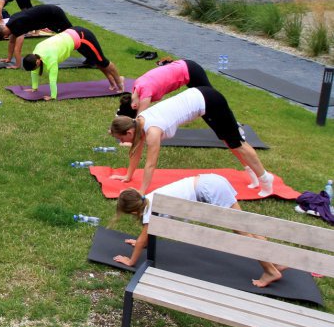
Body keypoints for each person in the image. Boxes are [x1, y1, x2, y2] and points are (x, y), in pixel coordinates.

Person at [113, 175, 283, 287]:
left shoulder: (150, 208)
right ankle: (274, 261)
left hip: (208, 189)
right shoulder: (149, 198)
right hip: (211, 181)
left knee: (243, 233)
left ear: (134, 211)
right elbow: (146, 236)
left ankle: (270, 271)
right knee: (247, 227)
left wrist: (131, 261)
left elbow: (144, 237)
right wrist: (140, 243)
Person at [108, 86, 274, 196]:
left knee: (237, 144)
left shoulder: (152, 131)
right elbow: (136, 149)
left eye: (122, 138)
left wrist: (142, 191)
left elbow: (151, 164)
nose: (123, 142)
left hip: (210, 101)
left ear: (129, 131)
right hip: (200, 100)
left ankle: (266, 180)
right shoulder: (138, 122)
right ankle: (251, 171)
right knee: (226, 139)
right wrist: (128, 176)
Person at [22, 26, 124, 99]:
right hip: (74, 38)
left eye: (34, 67)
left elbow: (52, 79)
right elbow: (34, 71)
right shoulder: (35, 54)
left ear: (37, 62)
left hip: (83, 37)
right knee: (96, 61)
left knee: (102, 61)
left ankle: (119, 82)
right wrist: (34, 88)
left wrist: (52, 96)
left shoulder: (50, 58)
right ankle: (112, 81)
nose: (35, 70)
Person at [117, 59, 212, 117]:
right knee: (205, 103)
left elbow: (140, 119)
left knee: (210, 100)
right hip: (185, 66)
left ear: (134, 106)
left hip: (191, 70)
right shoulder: (136, 88)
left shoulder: (145, 93)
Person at [0, 4, 73, 65]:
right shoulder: (11, 24)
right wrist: (8, 59)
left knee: (72, 35)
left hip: (54, 14)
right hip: (49, 16)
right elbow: (12, 42)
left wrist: (17, 65)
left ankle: (85, 51)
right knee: (68, 35)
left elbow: (18, 49)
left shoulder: (17, 26)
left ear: (5, 36)